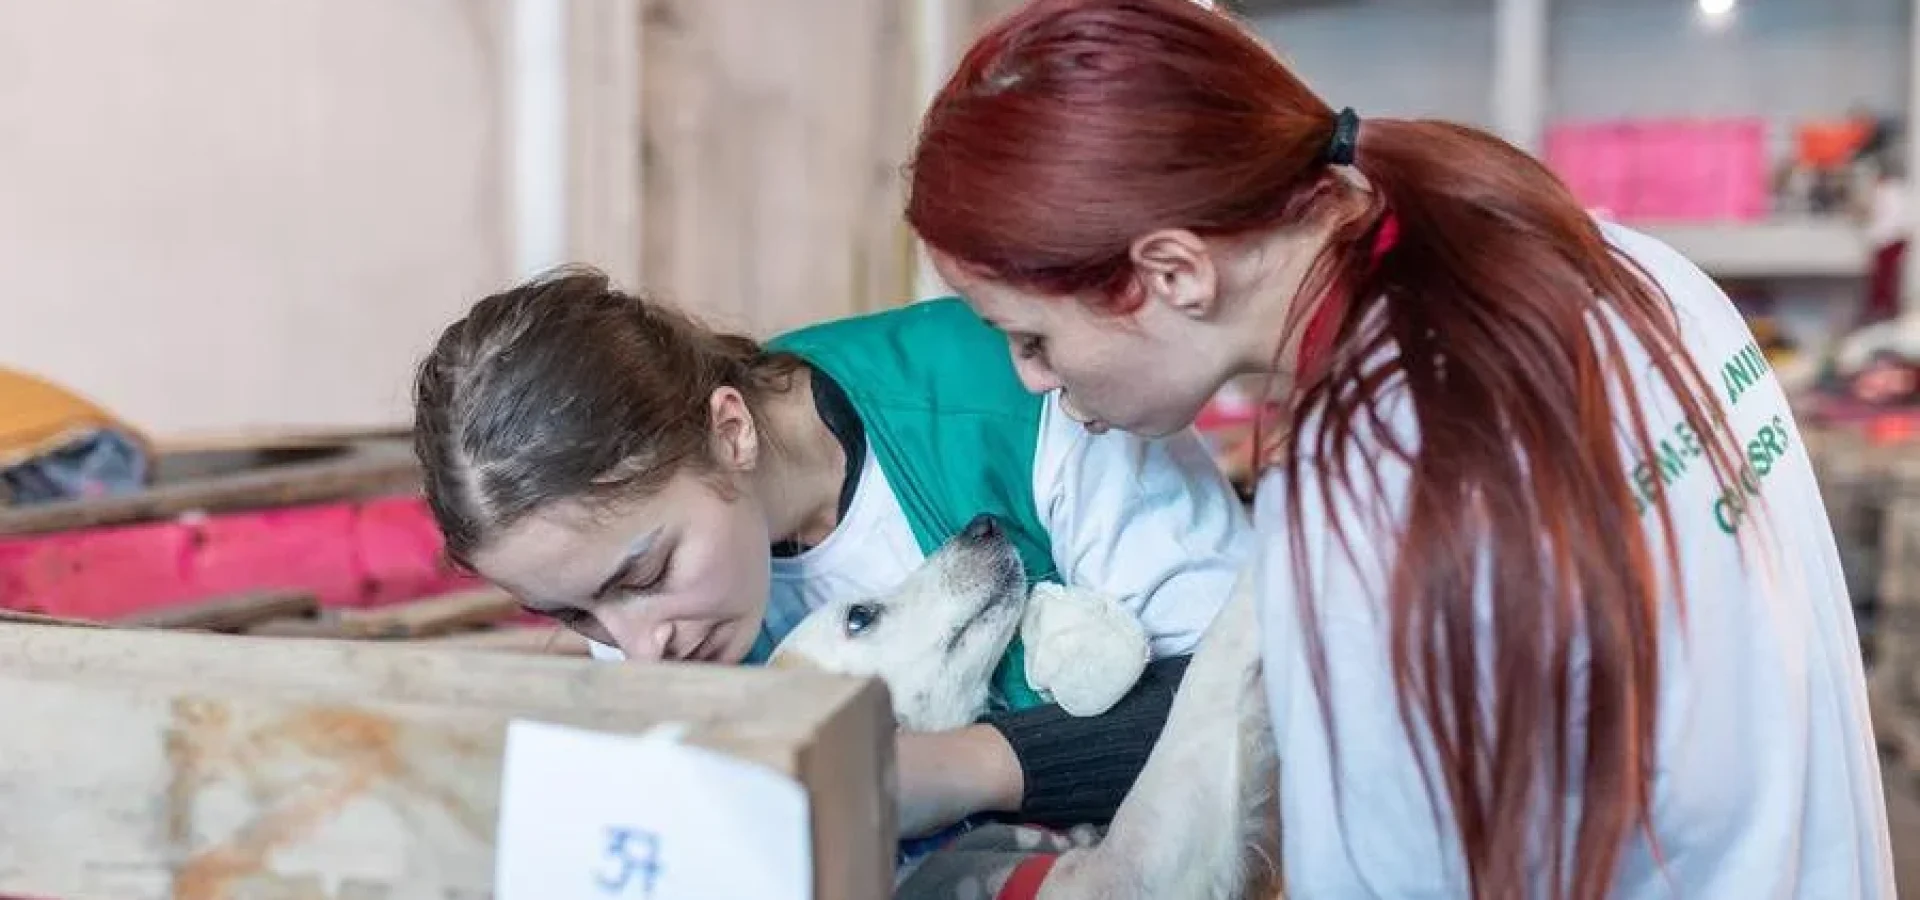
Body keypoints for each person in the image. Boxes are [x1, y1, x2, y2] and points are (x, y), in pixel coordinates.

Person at [903, 0, 1895, 897]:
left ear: (1171, 272)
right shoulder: (1626, 261)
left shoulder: (1362, 499)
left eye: (1031, 337)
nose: (1033, 378)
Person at [408, 267, 1250, 844]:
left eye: (647, 574)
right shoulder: (622, 581)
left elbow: (1256, 696)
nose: (636, 648)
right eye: (574, 614)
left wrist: (964, 770)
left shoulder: (1024, 391)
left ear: (730, 430)